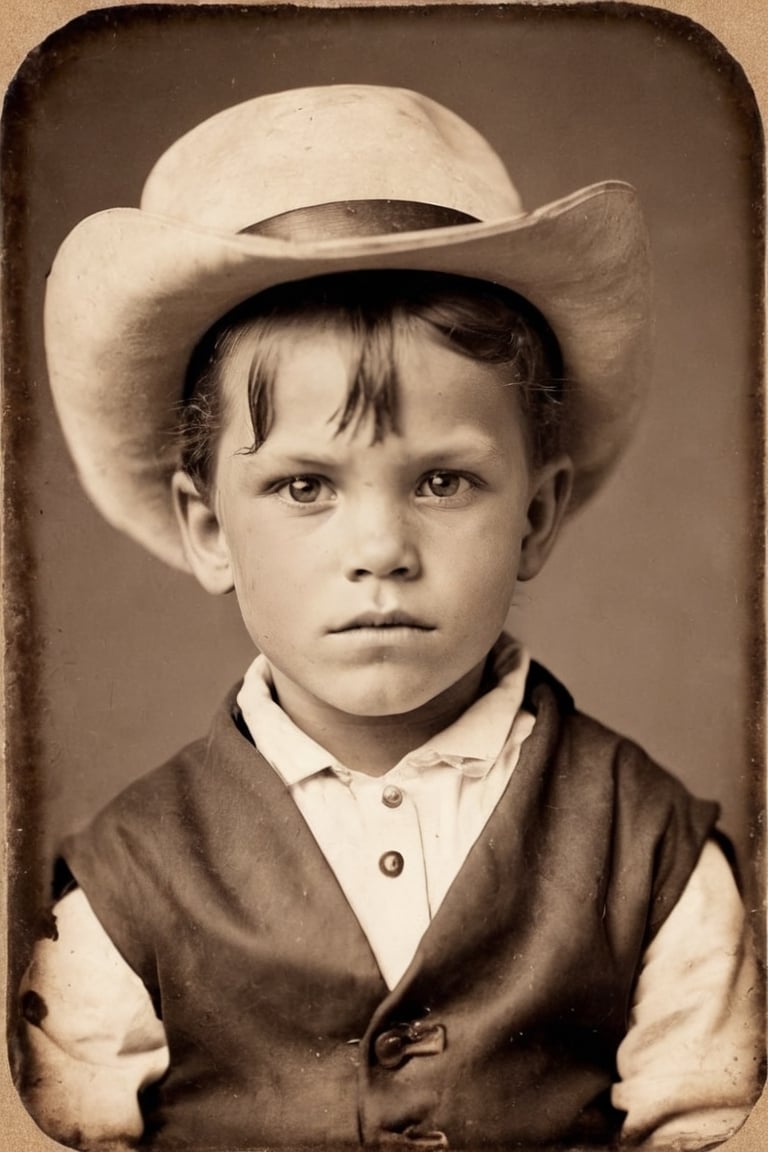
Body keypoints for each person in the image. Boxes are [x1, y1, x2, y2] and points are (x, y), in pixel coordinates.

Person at [15, 85, 763, 1151]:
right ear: (208, 529)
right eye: (306, 487)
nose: (380, 548)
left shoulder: (658, 855)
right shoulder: (121, 885)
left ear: (537, 516)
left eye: (444, 482)